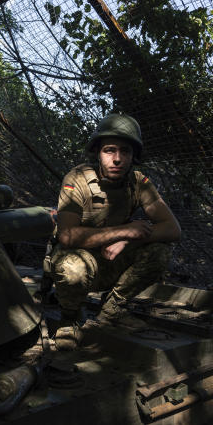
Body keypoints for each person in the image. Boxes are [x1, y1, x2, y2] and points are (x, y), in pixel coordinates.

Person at [49, 113, 181, 332]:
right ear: (97, 153)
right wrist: (126, 230)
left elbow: (172, 229)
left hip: (113, 260)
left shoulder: (138, 182)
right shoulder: (78, 178)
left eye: (125, 151)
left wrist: (126, 239)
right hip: (81, 261)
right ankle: (69, 318)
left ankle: (112, 311)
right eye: (109, 150)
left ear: (133, 156)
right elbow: (67, 236)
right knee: (71, 268)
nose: (117, 159)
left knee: (160, 251)